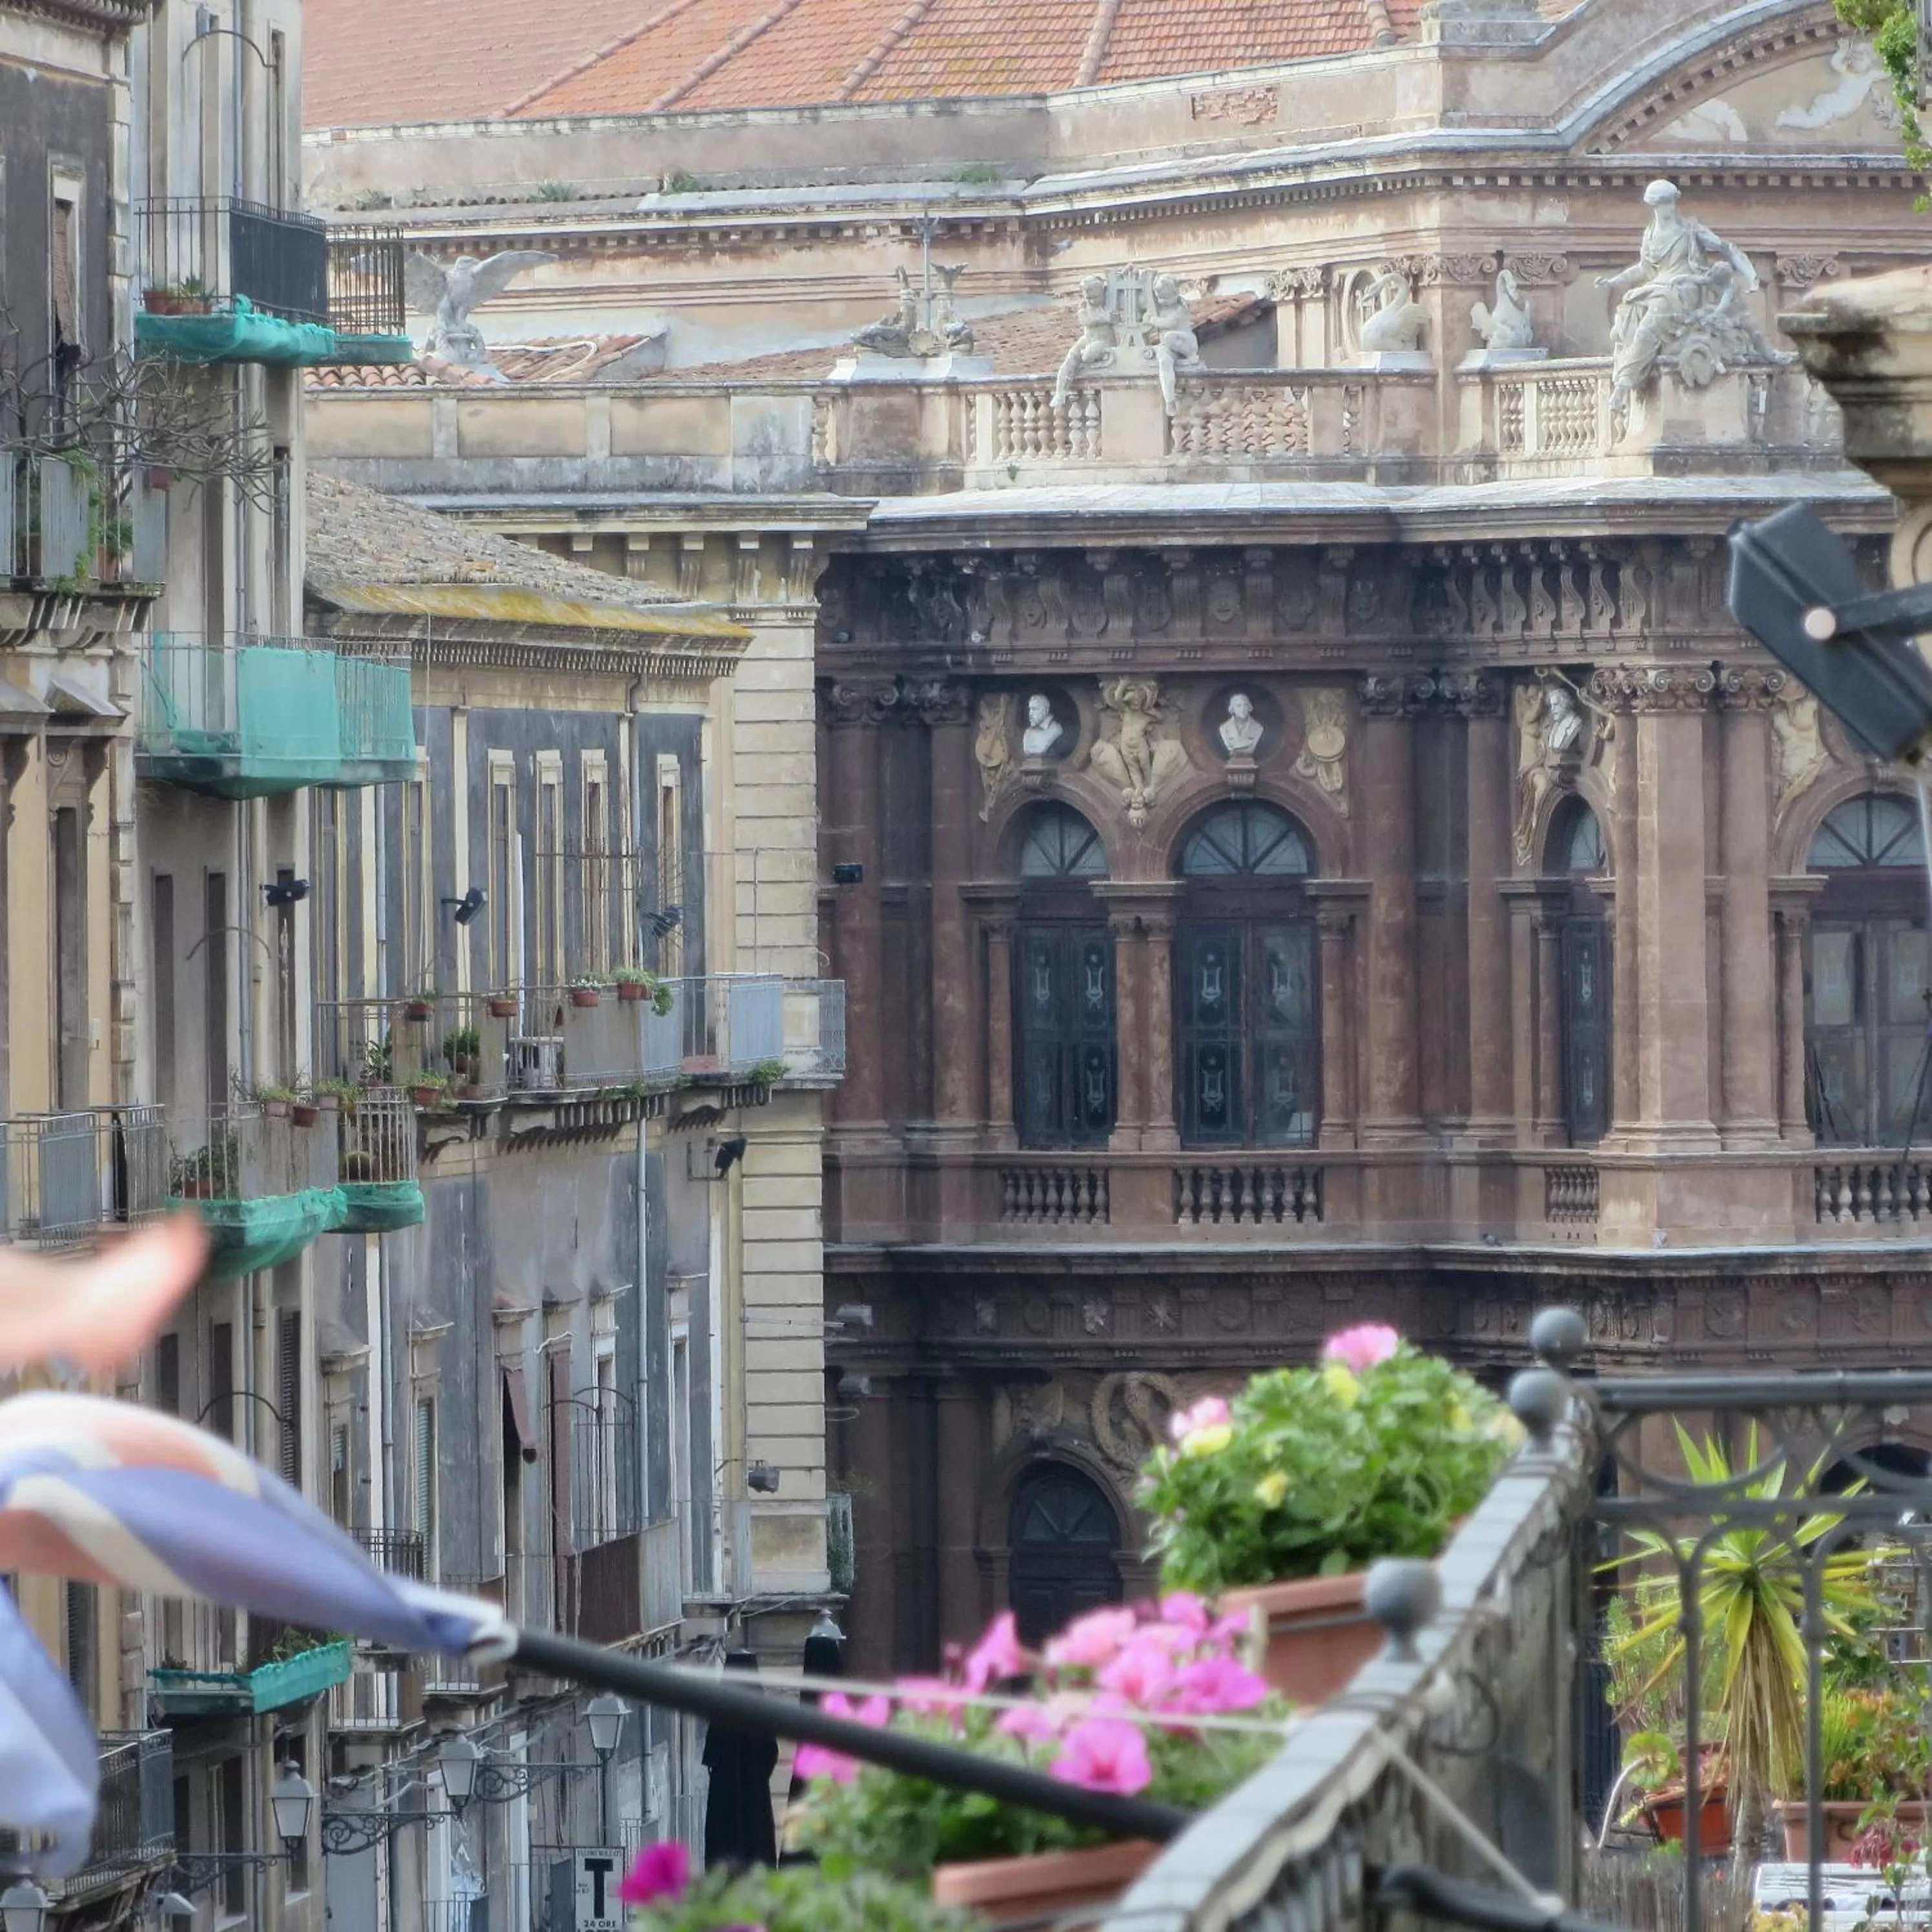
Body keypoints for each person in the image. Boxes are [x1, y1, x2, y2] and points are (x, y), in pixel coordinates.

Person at [1219, 692, 1263, 757]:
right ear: (1232, 709)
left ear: (1249, 708)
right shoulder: (1224, 728)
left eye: (1245, 705)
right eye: (1239, 706)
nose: (1243, 709)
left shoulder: (1258, 728)